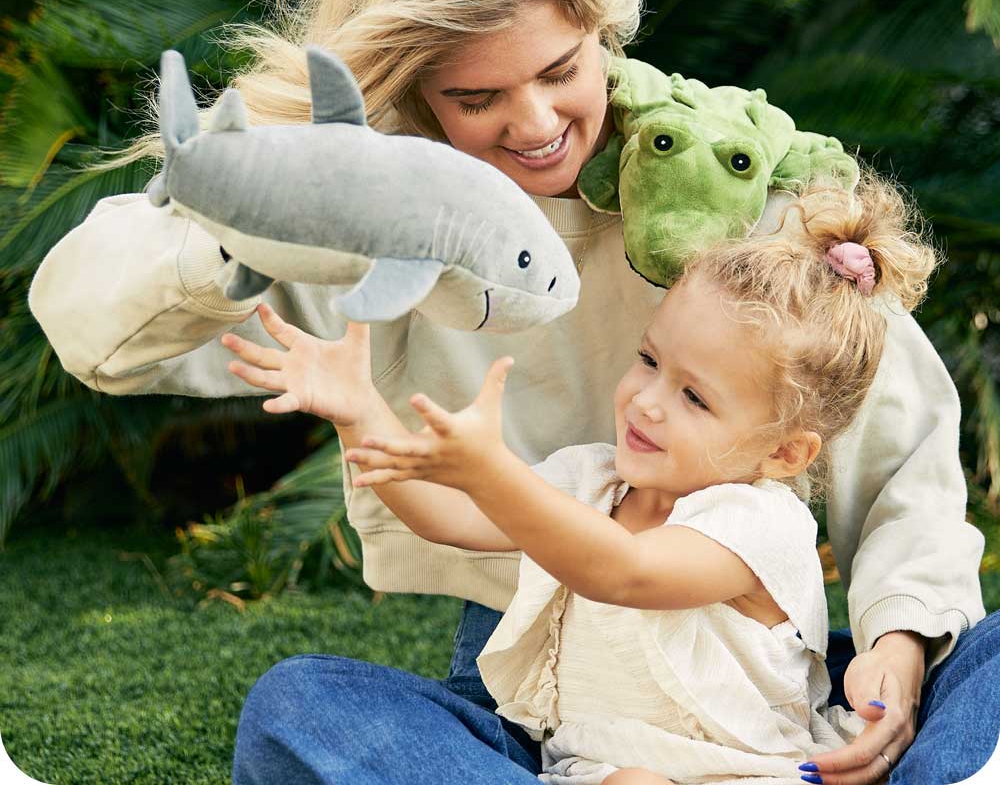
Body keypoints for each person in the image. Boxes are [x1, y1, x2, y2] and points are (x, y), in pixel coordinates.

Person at [25, 0, 994, 785]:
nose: (533, 124)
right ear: (412, 91)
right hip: (541, 693)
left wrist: (899, 647)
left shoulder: (719, 181)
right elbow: (84, 326)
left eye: (560, 68)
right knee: (298, 709)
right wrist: (260, 229)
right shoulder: (363, 200)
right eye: (477, 94)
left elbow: (894, 448)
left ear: (600, 29)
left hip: (752, 678)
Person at [221, 173, 932, 784]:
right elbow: (445, 516)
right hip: (569, 772)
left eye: (695, 398)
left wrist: (492, 472)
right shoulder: (591, 478)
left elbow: (621, 570)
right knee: (298, 698)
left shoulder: (758, 523)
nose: (648, 400)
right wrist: (359, 412)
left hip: (743, 775)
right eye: (651, 360)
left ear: (785, 454)